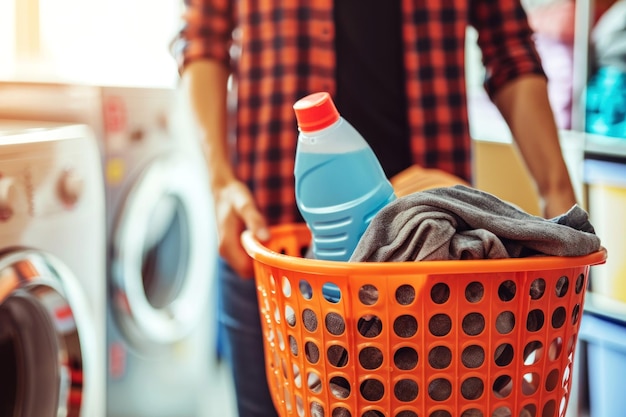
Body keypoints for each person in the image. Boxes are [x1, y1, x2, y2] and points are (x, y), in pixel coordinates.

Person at [170, 1, 577, 416]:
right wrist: (220, 183)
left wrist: (558, 195)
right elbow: (201, 38)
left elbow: (507, 43)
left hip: (433, 252)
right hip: (275, 243)